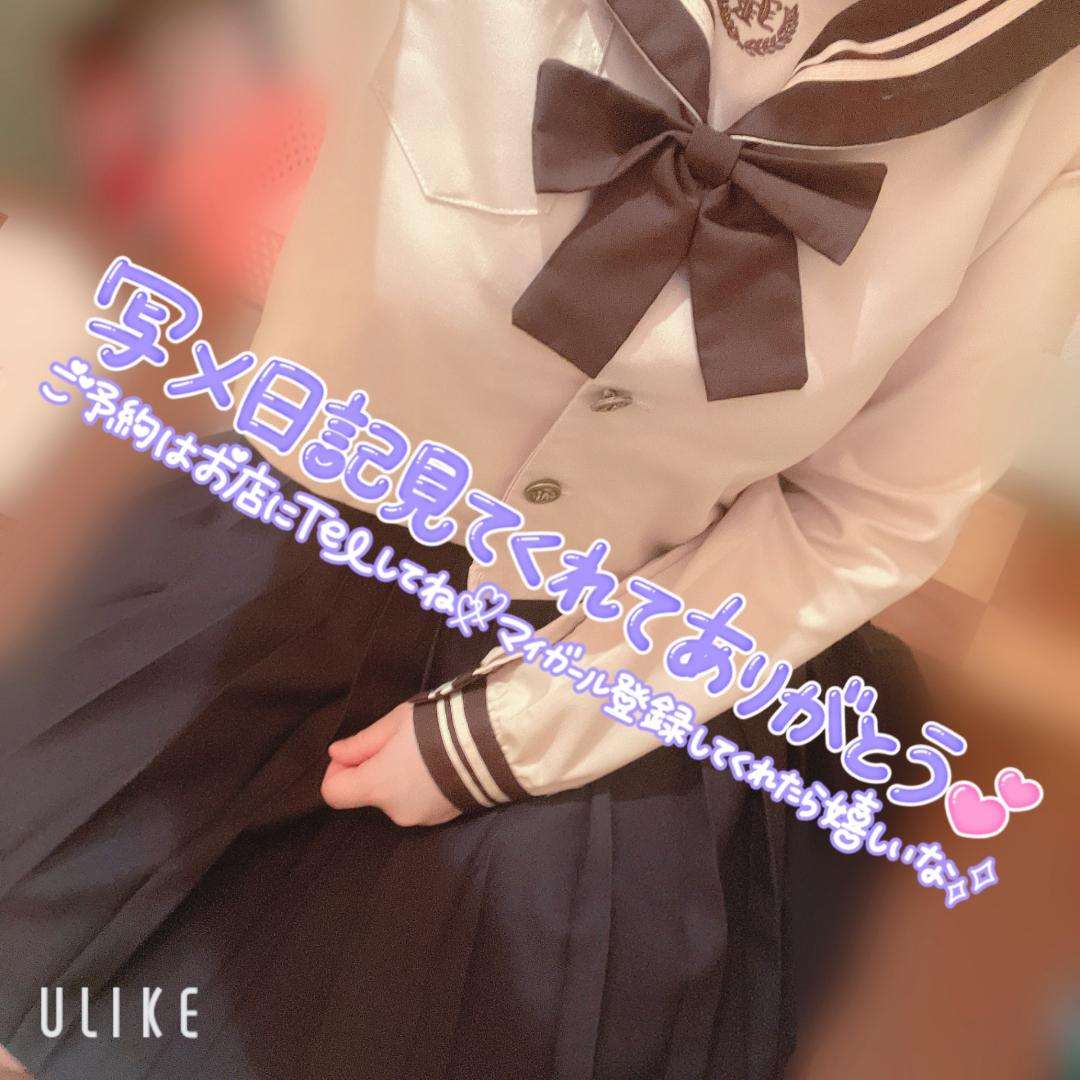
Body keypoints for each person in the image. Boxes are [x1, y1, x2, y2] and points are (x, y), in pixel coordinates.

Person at [2, 1, 1077, 1077]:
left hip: (627, 655)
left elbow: (868, 512)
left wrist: (513, 734)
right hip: (285, 536)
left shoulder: (1049, 104)